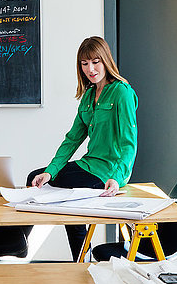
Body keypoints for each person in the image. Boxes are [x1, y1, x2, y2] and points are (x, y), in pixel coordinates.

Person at [26, 36, 138, 261]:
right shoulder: (88, 96)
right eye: (85, 64)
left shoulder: (122, 93)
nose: (91, 69)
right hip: (89, 164)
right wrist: (51, 170)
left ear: (106, 61)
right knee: (35, 177)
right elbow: (72, 139)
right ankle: (72, 257)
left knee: (64, 192)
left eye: (96, 62)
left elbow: (128, 142)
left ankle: (79, 260)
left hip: (108, 171)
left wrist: (117, 178)